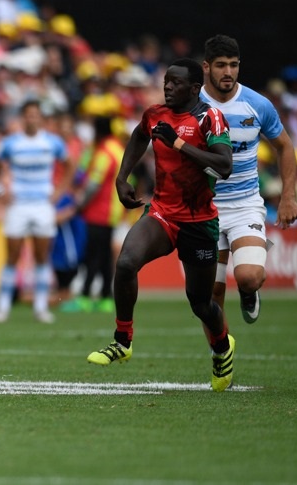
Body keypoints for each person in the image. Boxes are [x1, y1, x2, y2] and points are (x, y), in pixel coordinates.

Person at [86, 58, 237, 392]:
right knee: (125, 264)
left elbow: (224, 164)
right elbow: (140, 137)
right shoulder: (155, 114)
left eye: (175, 82)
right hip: (162, 213)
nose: (167, 87)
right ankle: (122, 341)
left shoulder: (208, 117)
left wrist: (179, 144)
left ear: (195, 88)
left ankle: (222, 347)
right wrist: (122, 177)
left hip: (199, 221)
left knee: (200, 303)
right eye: (166, 81)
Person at [200, 35, 297, 323]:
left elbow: (285, 146)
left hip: (244, 205)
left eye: (233, 65)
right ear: (206, 67)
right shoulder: (192, 106)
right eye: (221, 65)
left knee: (249, 276)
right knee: (210, 292)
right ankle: (221, 359)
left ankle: (249, 291)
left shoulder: (257, 104)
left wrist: (288, 197)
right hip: (205, 209)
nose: (228, 72)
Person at [0, 99, 73, 324]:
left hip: (43, 206)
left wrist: (59, 192)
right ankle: (3, 306)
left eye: (35, 115)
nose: (32, 118)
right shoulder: (11, 143)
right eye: (28, 115)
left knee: (41, 257)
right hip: (17, 205)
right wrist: (0, 190)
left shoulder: (52, 142)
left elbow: (69, 165)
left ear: (41, 118)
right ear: (23, 118)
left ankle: (40, 307)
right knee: (12, 257)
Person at [71, 113, 125, 313]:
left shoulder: (105, 152)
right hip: (112, 210)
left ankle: (85, 296)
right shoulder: (117, 148)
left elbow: (94, 183)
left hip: (99, 210)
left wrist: (80, 204)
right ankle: (105, 298)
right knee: (103, 256)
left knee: (92, 255)